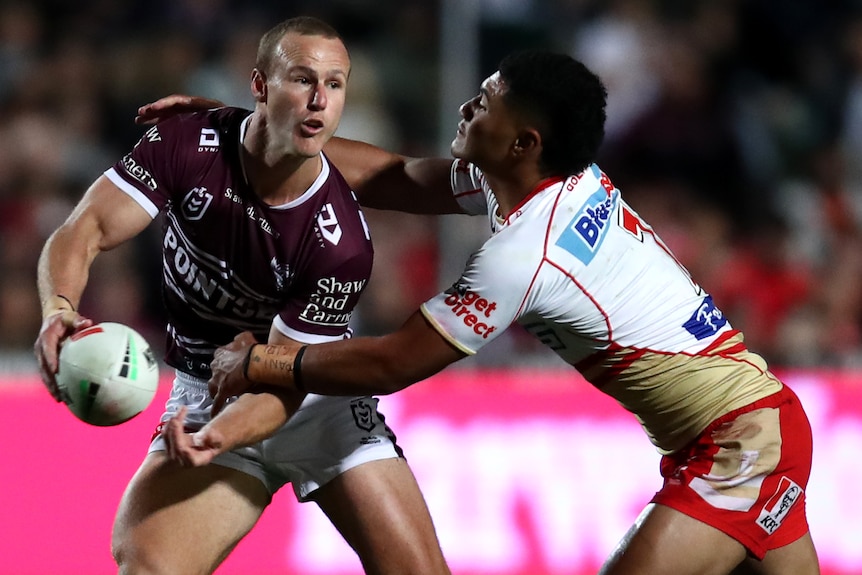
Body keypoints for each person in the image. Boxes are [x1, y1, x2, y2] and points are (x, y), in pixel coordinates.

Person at [150, 50, 821, 574]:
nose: (470, 103)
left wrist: (267, 360)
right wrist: (253, 131)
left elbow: (396, 360)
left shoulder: (528, 253)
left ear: (524, 143)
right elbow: (392, 177)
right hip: (751, 426)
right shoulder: (541, 178)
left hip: (741, 443)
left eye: (489, 101)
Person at [33, 17, 451, 575]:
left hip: (315, 401)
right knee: (146, 564)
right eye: (302, 79)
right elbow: (83, 230)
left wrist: (216, 436)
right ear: (260, 85)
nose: (319, 100)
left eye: (335, 84)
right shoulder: (186, 142)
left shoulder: (340, 243)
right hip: (204, 388)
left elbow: (286, 385)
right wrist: (58, 308)